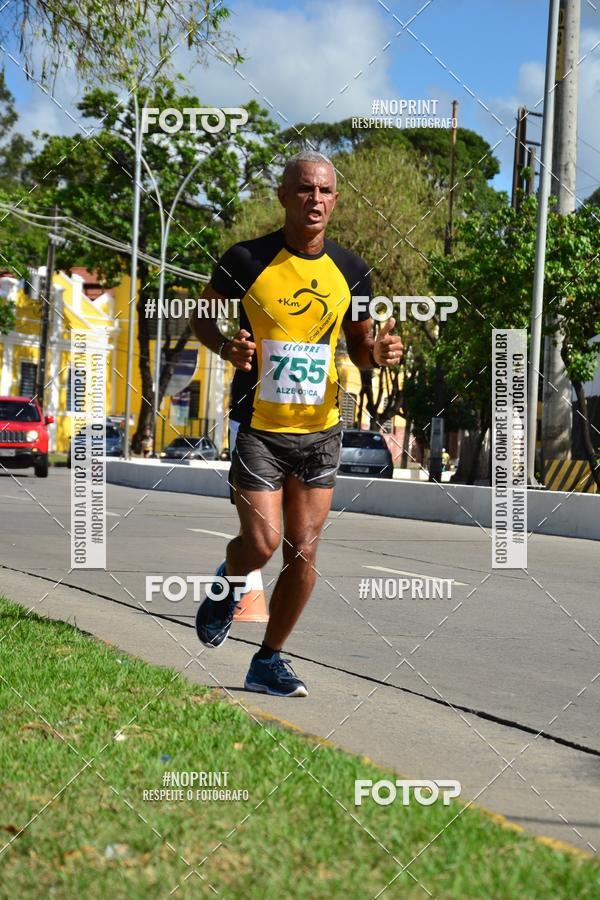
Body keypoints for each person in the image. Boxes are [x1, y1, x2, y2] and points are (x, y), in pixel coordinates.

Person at [192, 150, 403, 697]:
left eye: (326, 191)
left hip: (320, 429)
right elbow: (201, 317)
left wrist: (376, 352)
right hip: (258, 425)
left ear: (335, 200)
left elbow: (358, 347)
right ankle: (227, 583)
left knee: (303, 551)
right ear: (284, 196)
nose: (316, 200)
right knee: (260, 543)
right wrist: (227, 347)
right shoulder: (244, 259)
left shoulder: (353, 272)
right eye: (305, 189)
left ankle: (269, 659)